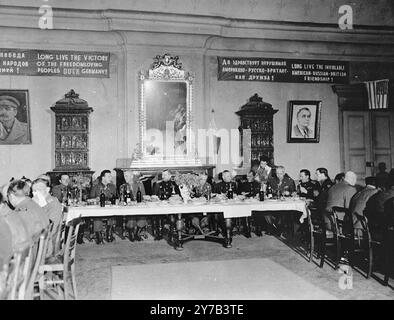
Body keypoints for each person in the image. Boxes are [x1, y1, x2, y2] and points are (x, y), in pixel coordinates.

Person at [31, 178, 64, 253]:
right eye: (34, 191)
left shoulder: (53, 203)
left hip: (45, 244)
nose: (36, 193)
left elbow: (49, 229)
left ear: (48, 189)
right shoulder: (40, 202)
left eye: (40, 190)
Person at [89, 170, 117, 244]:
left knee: (112, 213)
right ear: (103, 177)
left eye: (110, 176)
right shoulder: (95, 187)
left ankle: (109, 233)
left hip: (109, 208)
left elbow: (115, 197)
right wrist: (96, 199)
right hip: (98, 208)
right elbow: (90, 198)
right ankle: (99, 235)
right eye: (109, 176)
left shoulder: (112, 186)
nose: (111, 178)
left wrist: (109, 195)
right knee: (97, 215)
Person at [119, 171, 147, 242]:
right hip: (128, 207)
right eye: (124, 176)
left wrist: (138, 202)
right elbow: (121, 198)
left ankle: (137, 233)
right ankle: (131, 232)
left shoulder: (139, 184)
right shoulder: (123, 186)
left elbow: (143, 196)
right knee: (131, 216)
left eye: (127, 176)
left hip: (138, 206)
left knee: (142, 216)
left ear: (132, 176)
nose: (125, 178)